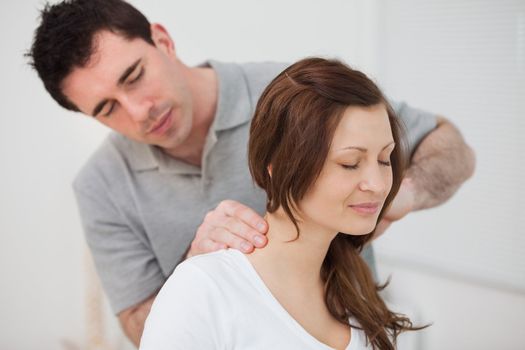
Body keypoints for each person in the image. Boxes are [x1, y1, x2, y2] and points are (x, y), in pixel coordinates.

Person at [26, 0, 475, 346]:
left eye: (134, 76)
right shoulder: (101, 186)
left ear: (162, 40)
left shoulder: (295, 96)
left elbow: (451, 148)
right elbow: (145, 329)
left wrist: (394, 194)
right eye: (107, 108)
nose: (138, 111)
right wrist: (195, 268)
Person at [140, 57, 427, 350]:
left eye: (383, 159)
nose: (378, 185)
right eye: (350, 163)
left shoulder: (355, 289)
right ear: (280, 166)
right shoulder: (202, 289)